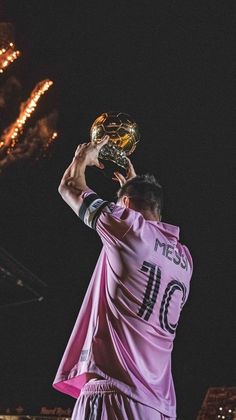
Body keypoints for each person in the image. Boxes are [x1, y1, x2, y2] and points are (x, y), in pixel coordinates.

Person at [53, 135, 193, 420]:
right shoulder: (185, 258)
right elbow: (143, 223)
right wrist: (133, 187)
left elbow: (69, 186)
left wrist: (83, 156)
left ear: (125, 204)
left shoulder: (128, 229)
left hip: (114, 395)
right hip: (158, 406)